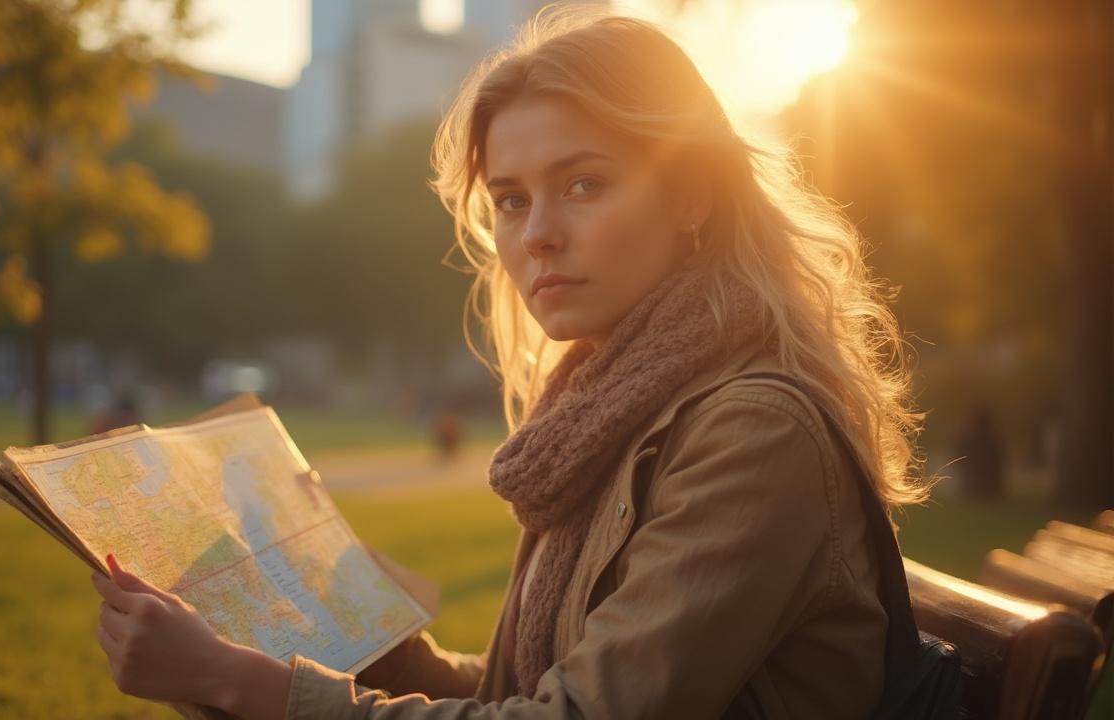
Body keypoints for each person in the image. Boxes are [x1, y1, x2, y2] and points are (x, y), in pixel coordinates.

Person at [89, 8, 938, 719]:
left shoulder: (755, 432)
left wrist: (235, 680)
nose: (536, 235)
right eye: (510, 200)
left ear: (691, 194)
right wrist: (375, 645)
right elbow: (521, 693)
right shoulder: (598, 416)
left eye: (583, 185)